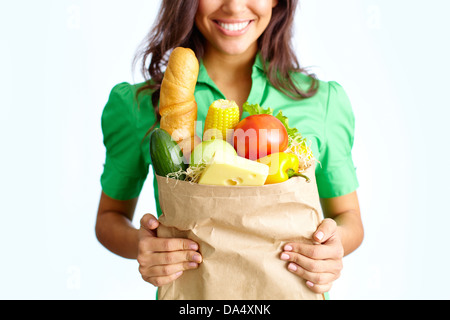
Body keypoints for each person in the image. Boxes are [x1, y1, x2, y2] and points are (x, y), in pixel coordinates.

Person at [95, 0, 364, 296]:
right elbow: (109, 218)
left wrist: (332, 246)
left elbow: (349, 217)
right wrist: (143, 246)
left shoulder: (322, 102)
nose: (235, 7)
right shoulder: (138, 105)